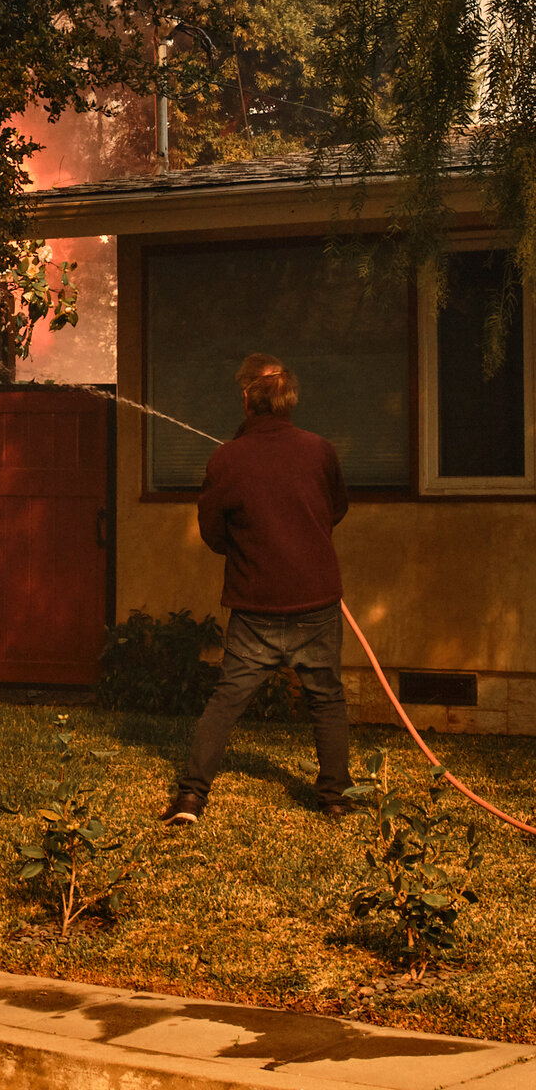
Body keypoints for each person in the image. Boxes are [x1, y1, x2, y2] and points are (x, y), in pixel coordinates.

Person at [162, 352, 353, 825]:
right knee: (326, 698)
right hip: (317, 601)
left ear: (247, 399)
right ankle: (334, 798)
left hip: (255, 605)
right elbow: (336, 510)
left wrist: (251, 548)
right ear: (288, 400)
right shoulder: (321, 450)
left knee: (226, 700)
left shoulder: (226, 458)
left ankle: (190, 799)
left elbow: (212, 533)